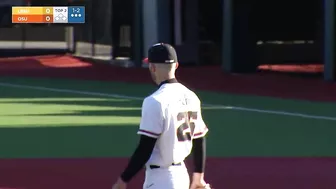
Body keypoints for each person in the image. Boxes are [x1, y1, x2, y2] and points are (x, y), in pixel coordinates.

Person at [112, 43, 210, 189]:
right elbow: (199, 139)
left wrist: (123, 179)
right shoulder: (192, 97)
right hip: (182, 176)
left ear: (152, 67)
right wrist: (198, 177)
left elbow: (145, 147)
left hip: (160, 179)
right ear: (176, 65)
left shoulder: (155, 101)